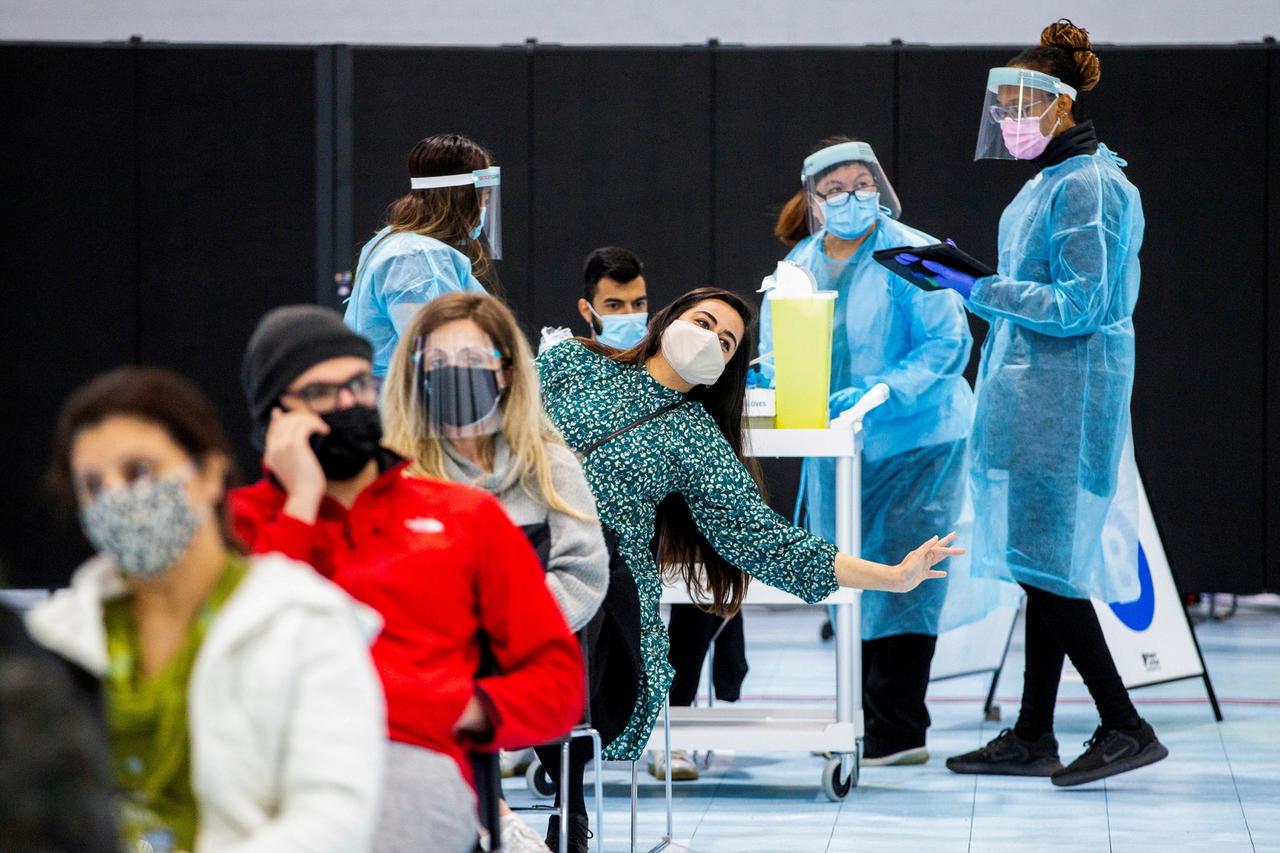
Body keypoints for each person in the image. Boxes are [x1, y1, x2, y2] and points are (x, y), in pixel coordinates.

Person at [536, 286, 962, 812]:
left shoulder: (696, 438)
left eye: (728, 341)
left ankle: (569, 806)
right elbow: (493, 426)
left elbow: (763, 538)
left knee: (586, 641)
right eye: (704, 322)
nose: (712, 339)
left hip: (603, 574)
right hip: (520, 542)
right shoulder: (571, 361)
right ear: (669, 319)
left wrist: (892, 576)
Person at [906, 20, 1168, 786]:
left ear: (1061, 104)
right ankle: (1032, 731)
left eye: (1025, 101)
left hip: (1066, 399)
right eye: (1005, 103)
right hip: (1030, 396)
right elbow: (1036, 300)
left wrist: (971, 284)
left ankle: (1124, 722)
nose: (1012, 117)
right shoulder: (1045, 185)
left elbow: (1082, 304)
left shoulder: (1091, 186)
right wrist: (965, 278)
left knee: (1048, 567)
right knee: (1038, 564)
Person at [229, 305, 584, 852]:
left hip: (418, 773)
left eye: (356, 384)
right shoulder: (239, 526)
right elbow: (241, 663)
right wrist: (299, 506)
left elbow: (558, 684)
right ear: (276, 417)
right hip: (280, 778)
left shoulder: (464, 516)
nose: (347, 403)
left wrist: (464, 708)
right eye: (321, 393)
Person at [28, 367, 385, 853]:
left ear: (210, 474)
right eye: (93, 485)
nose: (116, 497)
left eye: (139, 471)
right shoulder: (54, 637)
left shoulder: (308, 624)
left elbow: (332, 820)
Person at [761, 138, 974, 766]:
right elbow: (780, 347)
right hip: (838, 445)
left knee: (908, 579)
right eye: (835, 189)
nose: (851, 198)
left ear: (878, 185)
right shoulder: (799, 264)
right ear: (814, 200)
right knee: (850, 573)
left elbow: (945, 344)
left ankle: (899, 729)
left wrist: (885, 389)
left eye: (862, 184)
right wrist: (767, 380)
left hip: (919, 438)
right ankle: (854, 720)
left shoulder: (913, 251)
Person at [381, 291, 610, 852]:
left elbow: (582, 574)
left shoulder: (549, 465)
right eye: (437, 365)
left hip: (527, 659)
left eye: (473, 361)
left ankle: (490, 813)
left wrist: (503, 633)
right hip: (425, 673)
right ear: (415, 375)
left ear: (506, 371)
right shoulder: (395, 472)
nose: (456, 376)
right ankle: (492, 815)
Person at [344, 132, 502, 376]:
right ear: (462, 198)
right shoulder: (413, 257)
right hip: (410, 409)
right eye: (484, 198)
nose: (484, 208)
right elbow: (442, 358)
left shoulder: (399, 245)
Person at [577, 246, 649, 349]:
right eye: (614, 305)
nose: (630, 314)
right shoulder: (567, 363)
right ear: (586, 310)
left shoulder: (668, 363)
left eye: (638, 304)